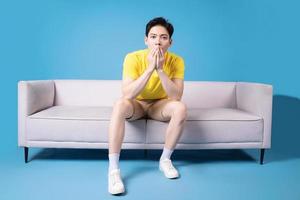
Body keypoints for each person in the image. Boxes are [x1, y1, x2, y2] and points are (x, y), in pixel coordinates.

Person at [108, 17, 187, 195]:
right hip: (136, 104)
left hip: (160, 105)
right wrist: (150, 68)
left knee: (180, 107)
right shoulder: (132, 58)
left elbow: (176, 96)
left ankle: (165, 160)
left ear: (170, 42)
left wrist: (160, 69)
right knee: (119, 104)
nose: (158, 41)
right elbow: (127, 94)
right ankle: (113, 171)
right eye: (153, 37)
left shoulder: (177, 61)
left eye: (163, 37)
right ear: (146, 40)